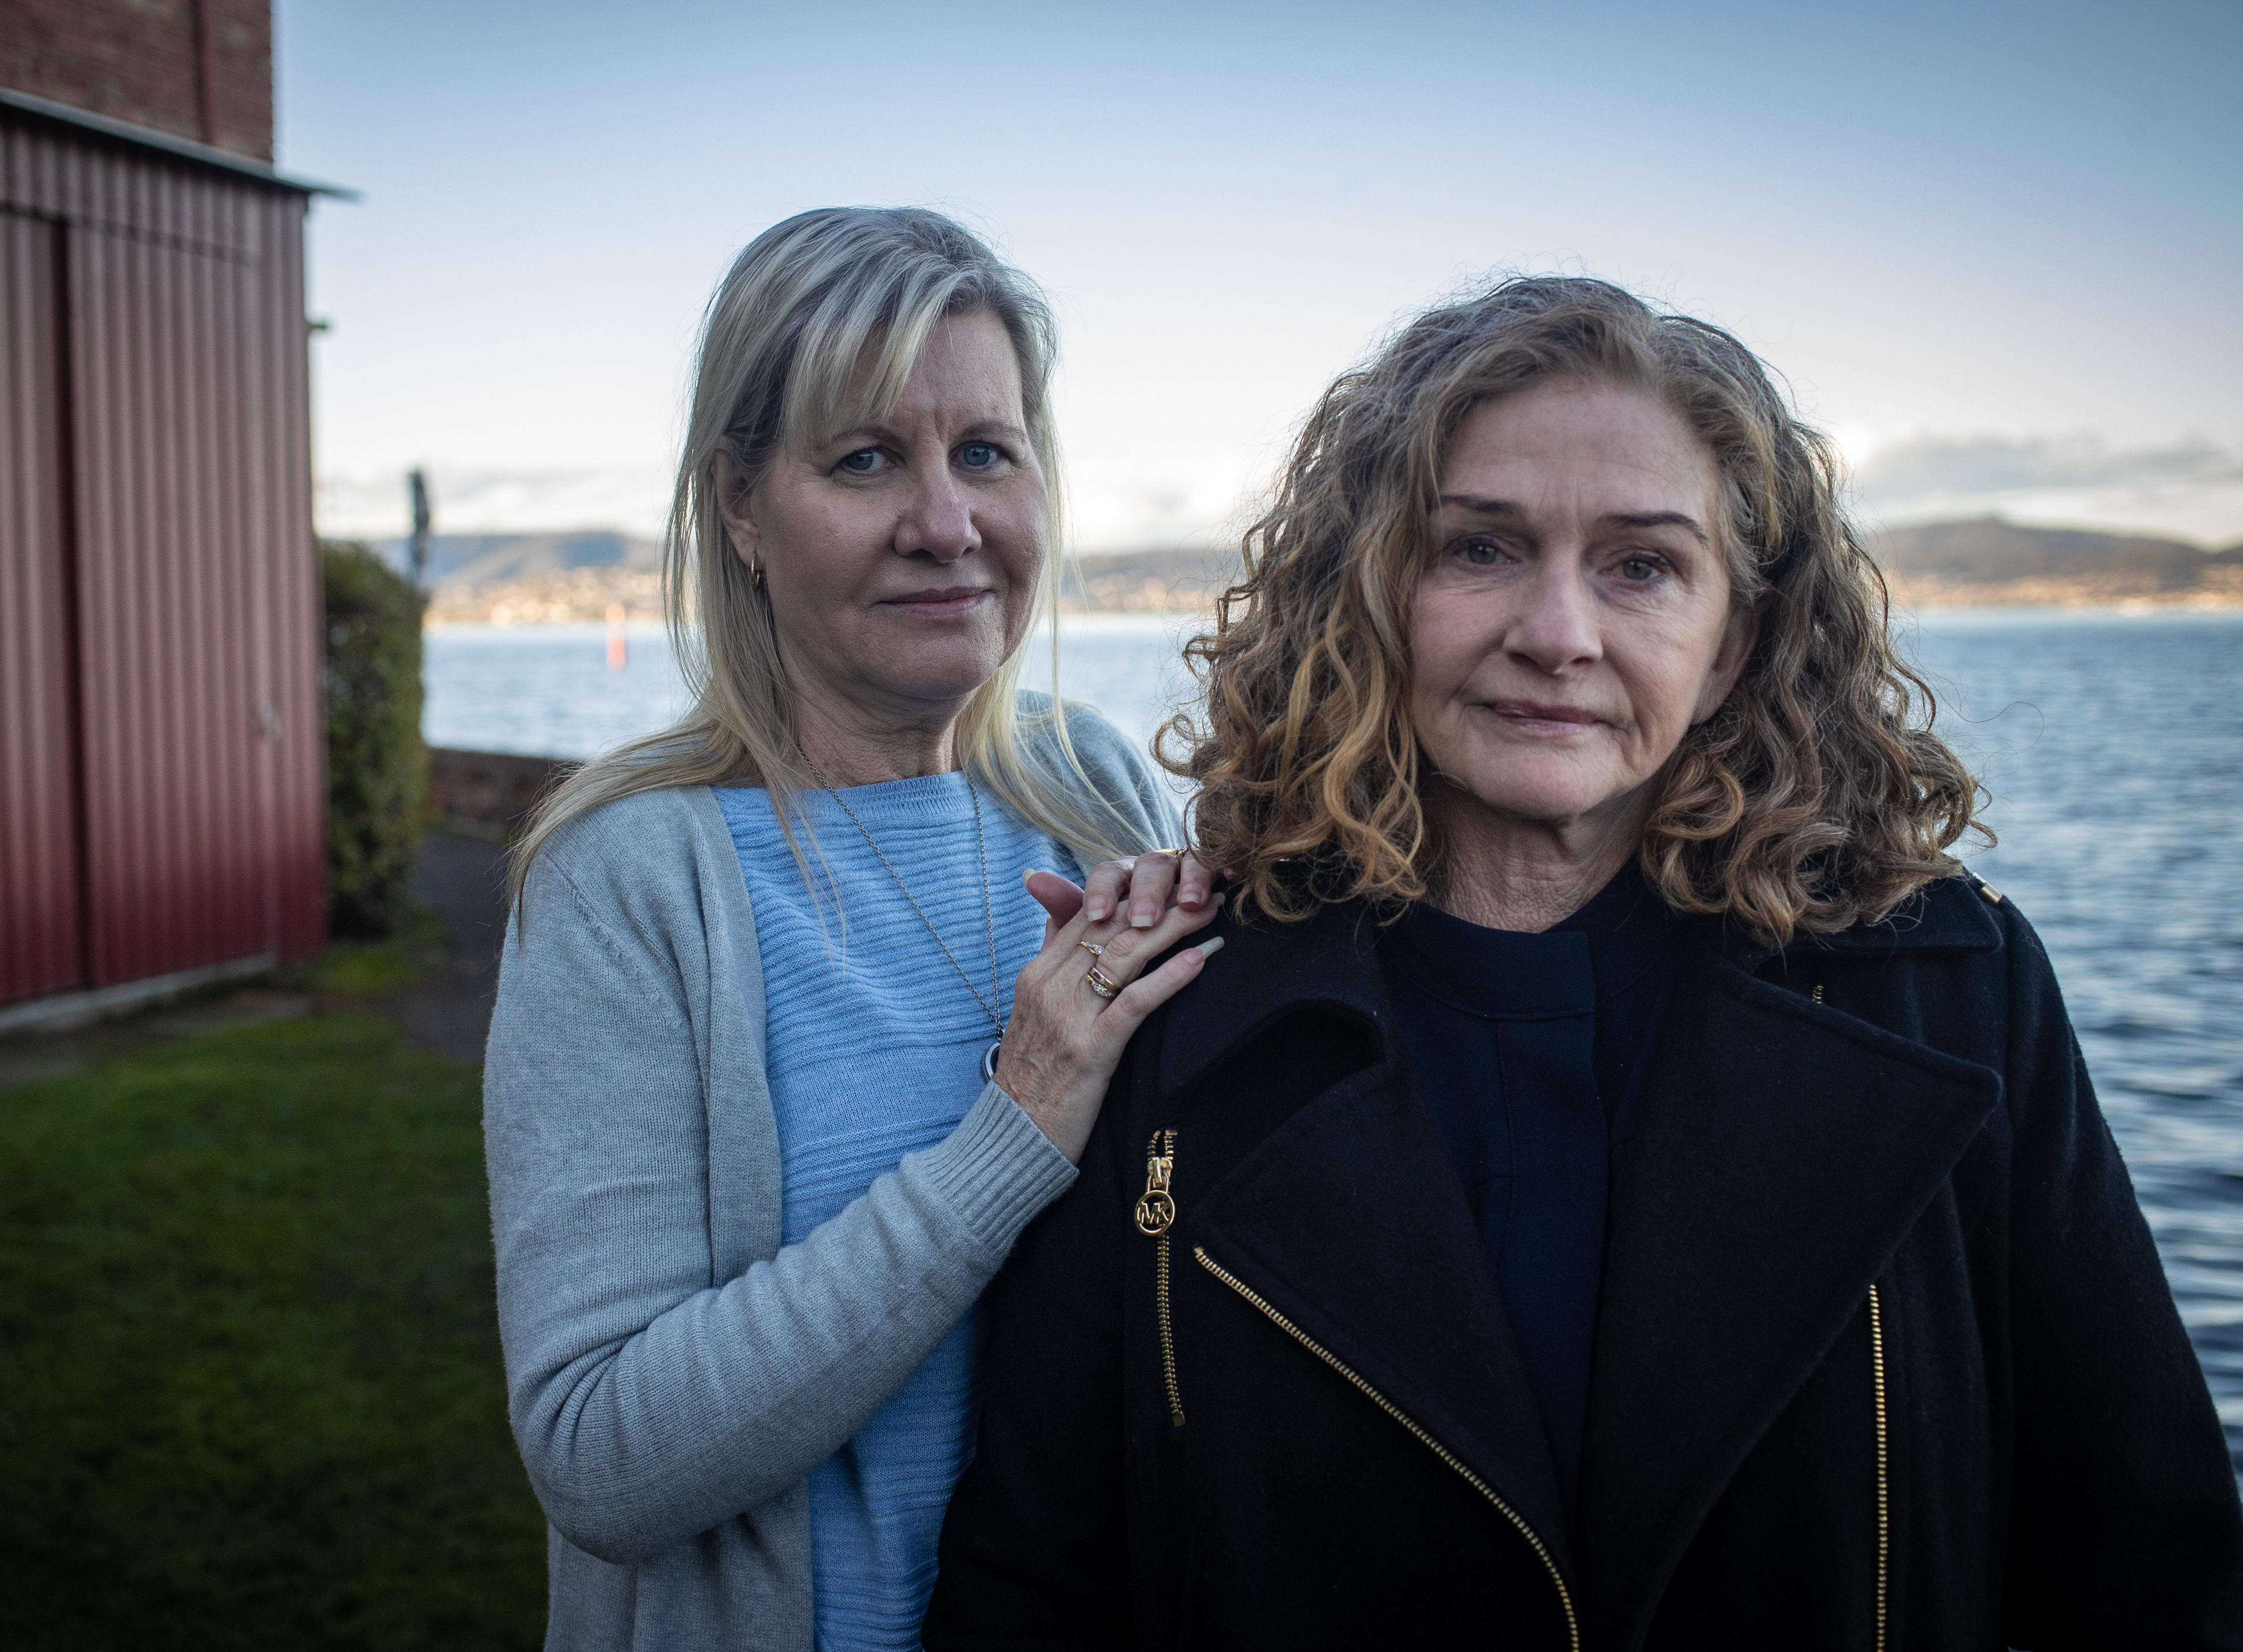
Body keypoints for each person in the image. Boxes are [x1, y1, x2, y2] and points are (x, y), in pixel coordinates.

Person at [926, 276, 2243, 1649]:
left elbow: (2152, 1574)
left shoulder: (1948, 995)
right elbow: (1038, 1586)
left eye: (1643, 566)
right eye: (1481, 550)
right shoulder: (1185, 1018)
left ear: (1733, 644)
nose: (1559, 634)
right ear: (1373, 597)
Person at [482, 207, 1223, 1652]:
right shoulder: (633, 880)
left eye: (987, 454)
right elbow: (601, 1457)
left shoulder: (1092, 787)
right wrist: (1013, 1129)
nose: (945, 525)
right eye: (866, 457)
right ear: (742, 505)